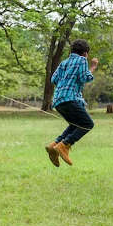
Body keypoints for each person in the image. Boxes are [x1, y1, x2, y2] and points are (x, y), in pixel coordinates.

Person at [45, 39, 98, 167]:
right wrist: (93, 67)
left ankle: (54, 146)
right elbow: (85, 77)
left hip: (58, 100)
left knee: (75, 124)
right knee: (87, 124)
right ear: (85, 53)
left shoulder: (64, 62)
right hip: (71, 99)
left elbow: (54, 79)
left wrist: (65, 84)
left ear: (71, 51)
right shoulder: (81, 60)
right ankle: (64, 145)